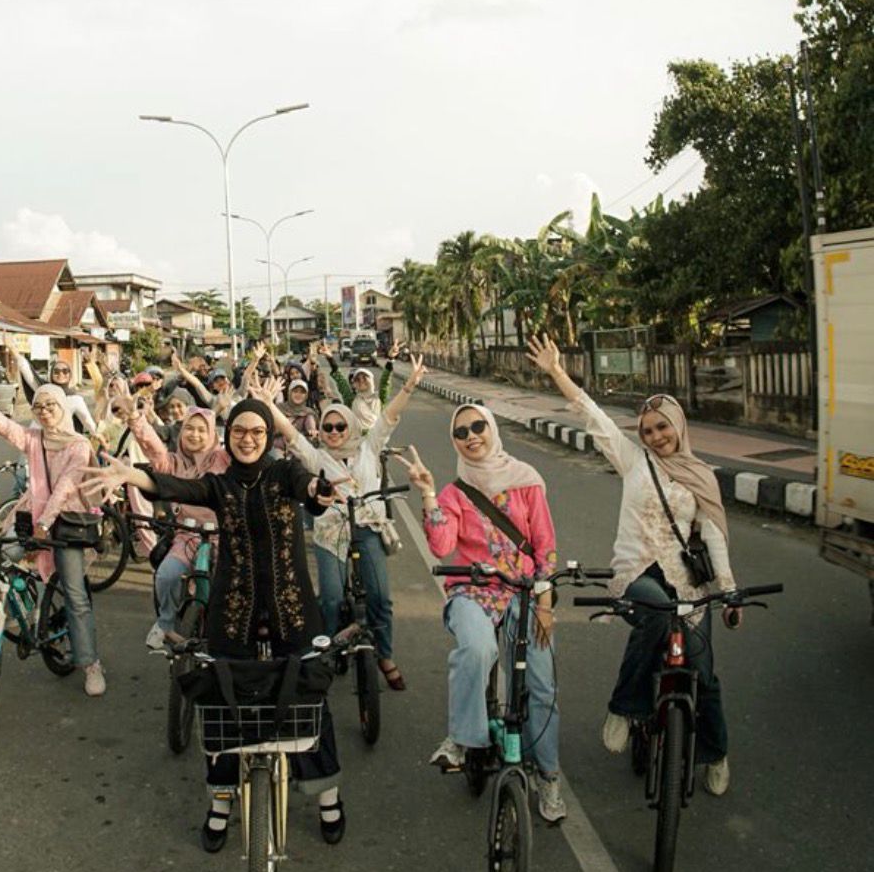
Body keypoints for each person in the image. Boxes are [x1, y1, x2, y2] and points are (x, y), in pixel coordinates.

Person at [82, 399, 346, 851]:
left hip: (294, 609)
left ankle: (328, 797)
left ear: (267, 437)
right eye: (239, 431)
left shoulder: (284, 474)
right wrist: (131, 477)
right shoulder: (218, 486)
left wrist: (319, 493)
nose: (247, 439)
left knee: (309, 692)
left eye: (256, 432)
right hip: (233, 610)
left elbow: (308, 489)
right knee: (224, 701)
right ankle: (221, 802)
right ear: (229, 436)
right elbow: (172, 486)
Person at [526, 334, 739, 795]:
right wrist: (557, 372)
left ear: (678, 426)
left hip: (689, 583)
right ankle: (625, 707)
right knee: (654, 620)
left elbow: (714, 535)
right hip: (640, 571)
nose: (657, 437)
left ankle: (715, 754)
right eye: (648, 431)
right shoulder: (634, 462)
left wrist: (728, 589)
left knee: (704, 674)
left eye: (663, 427)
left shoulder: (702, 474)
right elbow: (593, 417)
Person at [394, 408, 567, 822]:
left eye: (478, 427)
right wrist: (429, 494)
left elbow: (545, 545)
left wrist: (544, 604)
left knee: (540, 686)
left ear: (492, 429)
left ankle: (548, 775)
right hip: (472, 591)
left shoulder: (526, 481)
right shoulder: (456, 492)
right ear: (454, 441)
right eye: (461, 431)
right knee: (475, 649)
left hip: (525, 592)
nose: (471, 436)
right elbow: (440, 547)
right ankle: (462, 739)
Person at [254, 361, 425, 691]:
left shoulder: (368, 448)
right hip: (330, 533)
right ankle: (326, 651)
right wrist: (268, 404)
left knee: (380, 599)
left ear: (350, 426)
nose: (333, 432)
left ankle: (385, 656)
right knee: (330, 599)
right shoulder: (317, 458)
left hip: (368, 528)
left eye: (339, 426)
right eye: (328, 428)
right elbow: (290, 434)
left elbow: (388, 417)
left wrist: (409, 387)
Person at [0, 367, 106, 696]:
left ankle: (90, 664)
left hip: (65, 523)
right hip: (32, 517)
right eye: (39, 408)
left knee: (75, 595)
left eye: (51, 406)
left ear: (63, 409)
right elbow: (6, 427)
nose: (45, 413)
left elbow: (65, 488)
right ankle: (17, 611)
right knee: (3, 560)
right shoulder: (35, 439)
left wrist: (44, 524)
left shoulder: (78, 444)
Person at [116, 390, 230, 650]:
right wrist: (135, 418)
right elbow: (153, 449)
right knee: (166, 576)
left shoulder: (222, 459)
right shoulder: (173, 462)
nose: (195, 434)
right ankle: (166, 623)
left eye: (203, 430)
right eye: (190, 429)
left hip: (222, 537)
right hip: (186, 536)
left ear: (212, 433)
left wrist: (223, 411)